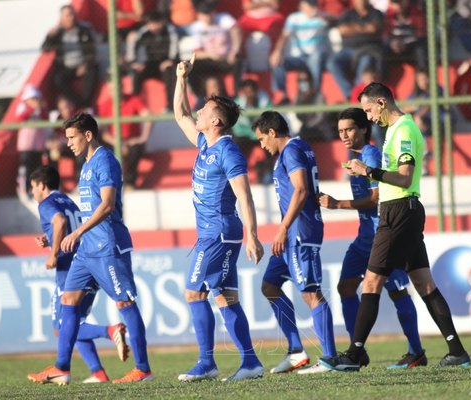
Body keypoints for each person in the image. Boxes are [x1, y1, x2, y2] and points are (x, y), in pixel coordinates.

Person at [318, 83, 471, 371]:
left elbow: (403, 177)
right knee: (425, 284)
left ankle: (354, 354)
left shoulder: (402, 131)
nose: (369, 116)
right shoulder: (397, 130)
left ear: (381, 102)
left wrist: (369, 172)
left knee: (373, 283)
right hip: (406, 210)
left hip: (397, 210)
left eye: (368, 110)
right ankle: (457, 350)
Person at [27, 113, 154, 385]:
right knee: (68, 301)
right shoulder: (86, 166)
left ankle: (143, 369)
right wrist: (57, 239)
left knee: (125, 303)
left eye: (72, 137)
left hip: (107, 244)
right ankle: (62, 367)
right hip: (86, 250)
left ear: (87, 135)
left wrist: (77, 231)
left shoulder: (104, 161)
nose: (68, 143)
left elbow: (107, 205)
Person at [173, 54, 266, 382]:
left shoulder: (228, 151)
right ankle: (251, 363)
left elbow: (244, 194)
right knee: (224, 297)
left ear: (217, 121)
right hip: (216, 233)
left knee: (193, 292)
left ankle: (206, 363)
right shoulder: (204, 143)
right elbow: (180, 113)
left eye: (205, 109)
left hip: (219, 232)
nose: (198, 110)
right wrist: (181, 77)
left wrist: (252, 234)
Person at [319, 107, 426, 369]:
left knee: (398, 291)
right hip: (364, 237)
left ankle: (416, 351)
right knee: (345, 287)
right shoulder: (353, 155)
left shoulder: (371, 155)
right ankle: (359, 350)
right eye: (341, 131)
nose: (344, 135)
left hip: (383, 233)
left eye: (350, 129)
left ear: (364, 129)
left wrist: (337, 204)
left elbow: (377, 198)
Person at [251, 111, 338, 375]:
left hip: (300, 231)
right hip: (291, 235)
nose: (261, 145)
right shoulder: (299, 148)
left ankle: (331, 359)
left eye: (261, 139)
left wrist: (283, 228)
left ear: (272, 133)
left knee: (311, 293)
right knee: (270, 285)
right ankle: (296, 350)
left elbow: (300, 189)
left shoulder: (290, 151)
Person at [28, 165, 129, 384]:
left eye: (33, 188)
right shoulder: (68, 201)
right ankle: (98, 372)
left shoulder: (46, 204)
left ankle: (109, 331)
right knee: (76, 320)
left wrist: (53, 254)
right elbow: (72, 224)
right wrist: (50, 239)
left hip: (69, 271)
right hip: (88, 261)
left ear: (42, 185)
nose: (33, 193)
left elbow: (60, 222)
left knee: (62, 329)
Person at [269, 0, 331, 102]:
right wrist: (277, 52)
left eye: (313, 5)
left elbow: (334, 21)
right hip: (297, 57)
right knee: (278, 61)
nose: (311, 8)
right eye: (308, 5)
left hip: (316, 57)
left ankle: (316, 92)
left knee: (315, 58)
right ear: (301, 6)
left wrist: (320, 17)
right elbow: (284, 36)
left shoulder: (322, 17)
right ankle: (283, 95)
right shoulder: (293, 18)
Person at [97, 78, 154, 190]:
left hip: (131, 140)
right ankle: (107, 185)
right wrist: (117, 143)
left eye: (116, 88)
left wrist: (143, 138)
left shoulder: (134, 100)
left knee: (135, 150)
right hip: (113, 140)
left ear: (121, 88)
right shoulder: (104, 105)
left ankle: (129, 183)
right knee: (101, 151)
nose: (114, 92)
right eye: (111, 89)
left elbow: (148, 117)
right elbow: (104, 132)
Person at [326, 0, 386, 100]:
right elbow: (342, 30)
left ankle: (361, 94)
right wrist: (363, 27)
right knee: (332, 62)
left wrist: (352, 28)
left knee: (365, 60)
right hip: (347, 50)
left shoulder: (376, 13)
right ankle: (349, 93)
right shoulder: (347, 14)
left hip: (368, 49)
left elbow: (373, 28)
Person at [41, 5, 99, 108]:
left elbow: (93, 50)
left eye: (72, 14)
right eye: (68, 15)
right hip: (66, 68)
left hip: (84, 65)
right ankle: (81, 104)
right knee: (58, 79)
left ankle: (85, 104)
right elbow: (45, 49)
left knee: (92, 71)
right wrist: (50, 37)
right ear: (62, 18)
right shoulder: (58, 33)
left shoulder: (84, 30)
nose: (71, 17)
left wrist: (85, 64)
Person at [186, 0, 243, 97]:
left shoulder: (223, 19)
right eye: (205, 14)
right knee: (190, 65)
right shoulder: (196, 28)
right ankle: (199, 96)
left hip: (227, 58)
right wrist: (211, 55)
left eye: (209, 14)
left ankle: (237, 94)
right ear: (199, 15)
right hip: (210, 60)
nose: (208, 17)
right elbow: (196, 53)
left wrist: (234, 51)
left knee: (238, 61)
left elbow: (236, 29)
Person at [125, 10, 179, 112]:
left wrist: (170, 60)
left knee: (171, 73)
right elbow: (133, 45)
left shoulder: (170, 30)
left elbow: (174, 48)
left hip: (164, 63)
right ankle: (135, 106)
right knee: (137, 73)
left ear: (162, 22)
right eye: (152, 24)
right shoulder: (142, 32)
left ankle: (171, 106)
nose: (155, 27)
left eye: (157, 23)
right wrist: (133, 62)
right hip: (149, 64)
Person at [14, 84, 49, 198]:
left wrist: (41, 109)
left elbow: (45, 118)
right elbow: (19, 118)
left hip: (37, 144)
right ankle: (24, 188)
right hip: (26, 144)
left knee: (37, 167)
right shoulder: (23, 107)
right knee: (26, 166)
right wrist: (32, 109)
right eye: (33, 98)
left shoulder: (40, 110)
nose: (36, 101)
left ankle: (35, 189)